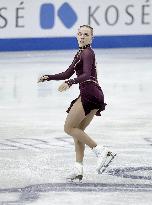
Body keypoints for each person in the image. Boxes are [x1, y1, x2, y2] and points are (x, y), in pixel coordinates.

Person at [38, 25, 116, 182]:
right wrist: (49, 77)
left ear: (91, 38)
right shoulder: (81, 53)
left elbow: (86, 74)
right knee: (78, 131)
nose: (82, 37)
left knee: (69, 128)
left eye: (86, 34)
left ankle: (101, 150)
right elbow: (67, 73)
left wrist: (70, 82)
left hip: (89, 92)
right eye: (80, 34)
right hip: (95, 93)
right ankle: (78, 169)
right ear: (76, 36)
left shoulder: (87, 53)